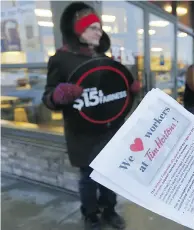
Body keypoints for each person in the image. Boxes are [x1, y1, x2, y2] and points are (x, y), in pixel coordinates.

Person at [42, 2, 140, 230]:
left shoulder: (104, 59)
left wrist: (129, 89)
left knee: (110, 174)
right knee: (89, 177)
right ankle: (91, 215)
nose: (99, 32)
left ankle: (109, 209)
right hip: (82, 130)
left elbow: (115, 96)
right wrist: (58, 95)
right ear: (78, 31)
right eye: (93, 28)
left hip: (109, 128)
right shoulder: (61, 59)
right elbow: (48, 97)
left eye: (99, 27)